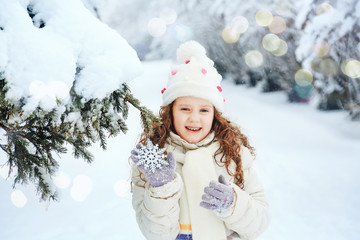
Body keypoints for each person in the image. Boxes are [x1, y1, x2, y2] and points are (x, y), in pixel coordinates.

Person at [130, 41, 270, 240]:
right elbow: (155, 234)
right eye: (185, 109)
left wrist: (232, 203)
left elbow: (260, 222)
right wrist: (162, 189)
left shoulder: (232, 153)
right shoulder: (155, 159)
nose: (194, 118)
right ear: (170, 112)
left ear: (215, 114)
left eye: (204, 110)